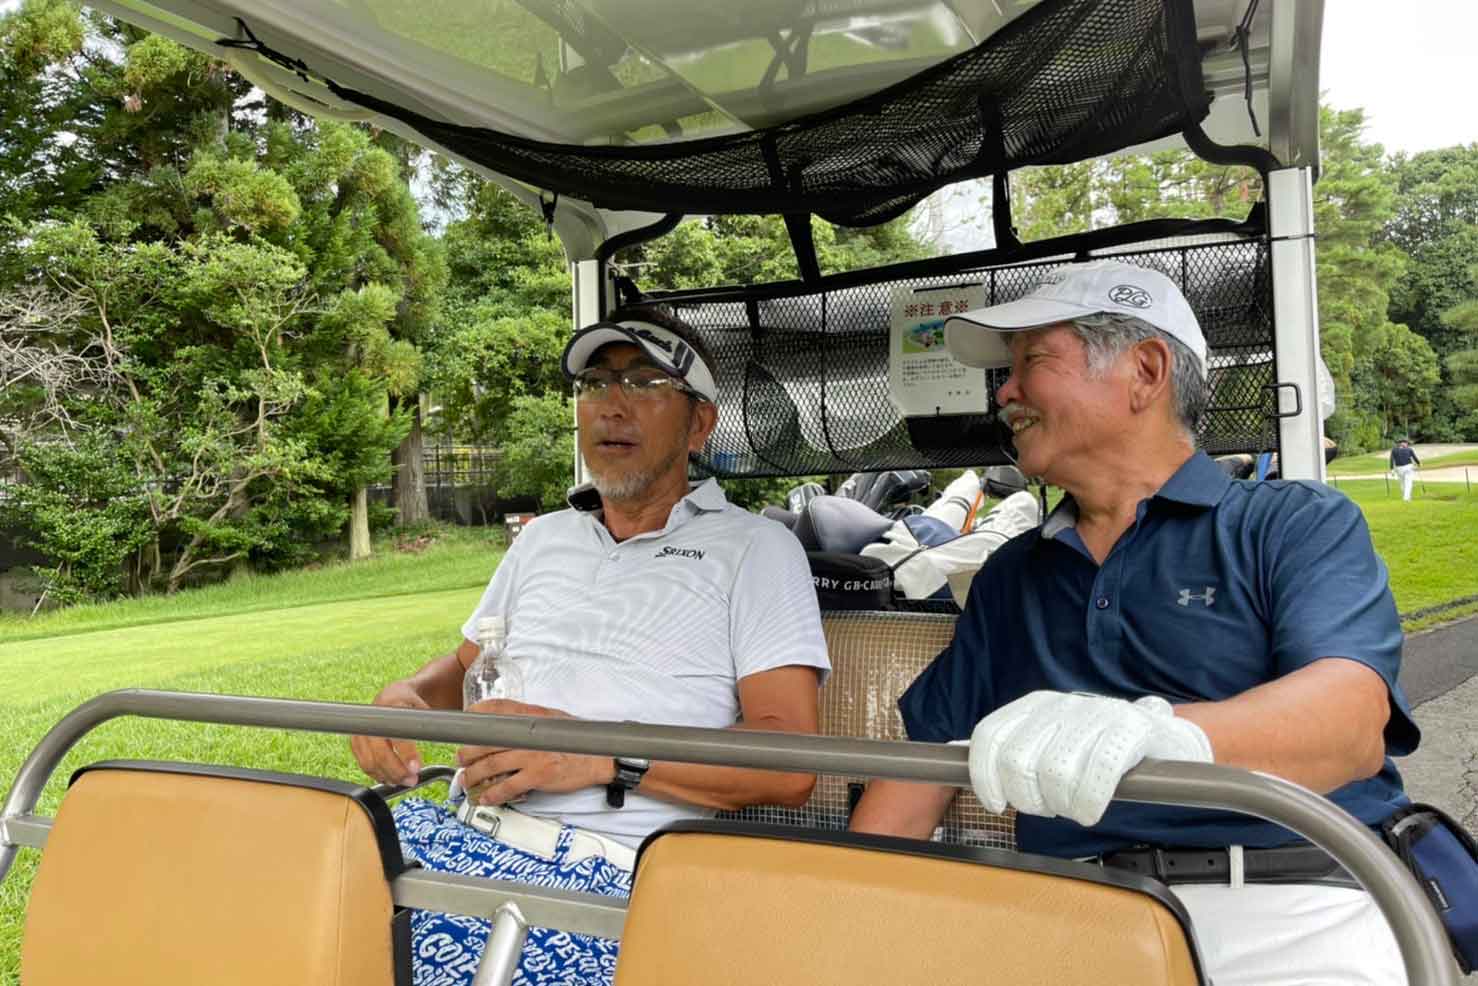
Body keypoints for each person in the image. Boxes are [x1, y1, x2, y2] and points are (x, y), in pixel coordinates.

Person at [848, 261, 1420, 986]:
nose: (1005, 393)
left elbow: (1349, 725)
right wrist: (835, 915)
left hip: (1293, 900)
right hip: (1067, 912)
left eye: (1032, 362)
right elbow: (918, 782)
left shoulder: (1293, 525)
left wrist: (1159, 735)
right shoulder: (1010, 576)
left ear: (1145, 372)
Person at [351, 304, 830, 986]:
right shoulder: (544, 538)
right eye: (595, 384)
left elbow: (790, 763)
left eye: (644, 383)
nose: (611, 405)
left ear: (699, 423)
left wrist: (601, 755)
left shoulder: (757, 549)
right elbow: (462, 670)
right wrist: (402, 699)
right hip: (447, 837)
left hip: (604, 880)